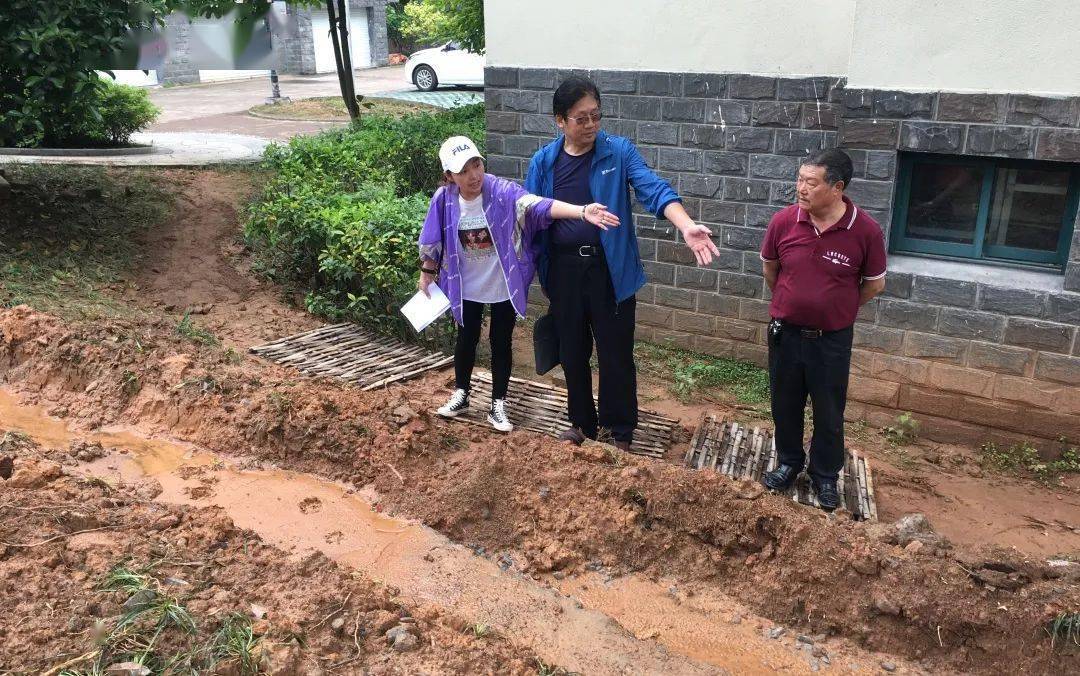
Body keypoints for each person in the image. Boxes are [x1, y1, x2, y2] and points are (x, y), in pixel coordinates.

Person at [525, 76, 719, 452]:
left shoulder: (618, 152)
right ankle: (581, 423)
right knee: (572, 351)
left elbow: (654, 189)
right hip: (563, 271)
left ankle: (620, 427)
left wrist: (686, 225)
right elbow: (533, 211)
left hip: (609, 271)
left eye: (596, 116)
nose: (591, 126)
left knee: (615, 353)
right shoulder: (544, 162)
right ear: (560, 121)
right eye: (581, 119)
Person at [418, 135, 619, 432]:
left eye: (476, 164)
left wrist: (580, 211)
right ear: (450, 176)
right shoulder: (444, 200)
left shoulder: (501, 191)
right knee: (466, 338)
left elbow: (536, 206)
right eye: (463, 170)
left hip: (501, 282)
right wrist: (427, 272)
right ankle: (461, 394)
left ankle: (498, 404)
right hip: (465, 283)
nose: (474, 175)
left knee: (502, 340)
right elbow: (432, 238)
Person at [759, 149, 887, 511]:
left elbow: (874, 285)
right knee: (785, 404)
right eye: (799, 179)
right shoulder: (784, 222)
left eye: (810, 183)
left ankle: (825, 476)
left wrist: (837, 310)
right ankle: (788, 462)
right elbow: (771, 270)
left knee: (829, 411)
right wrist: (793, 302)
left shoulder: (865, 231)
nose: (800, 188)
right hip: (785, 333)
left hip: (830, 340)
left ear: (837, 188)